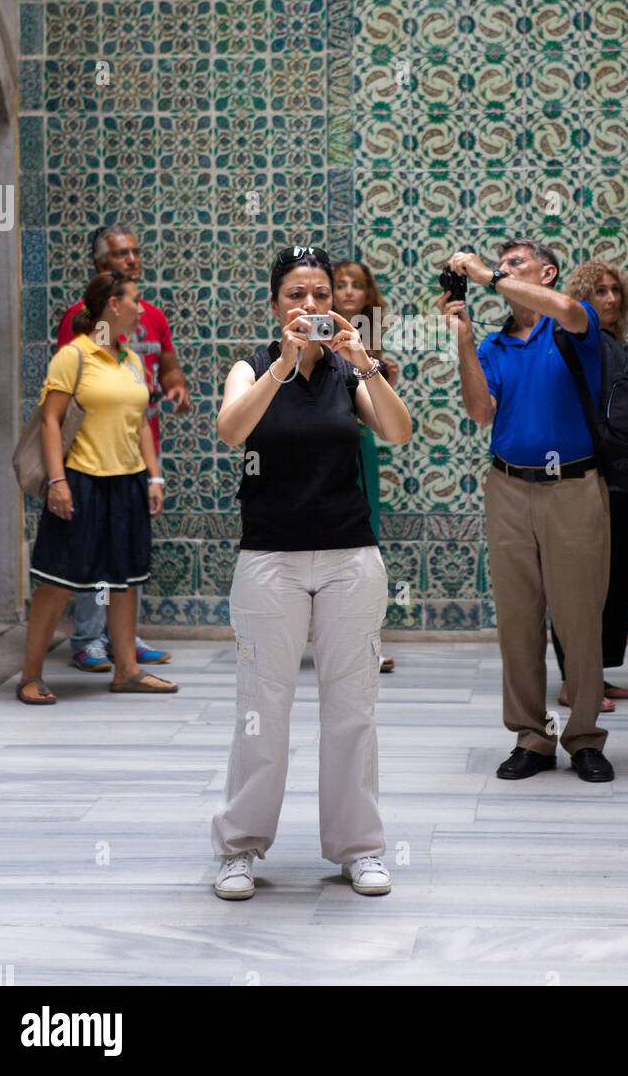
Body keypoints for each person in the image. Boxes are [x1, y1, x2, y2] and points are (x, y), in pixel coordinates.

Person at [211, 245, 412, 899]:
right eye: (296, 294)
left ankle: (360, 849)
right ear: (275, 304)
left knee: (351, 708)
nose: (310, 306)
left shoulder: (349, 374)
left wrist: (364, 365)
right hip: (270, 558)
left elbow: (400, 430)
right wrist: (283, 366)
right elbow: (231, 430)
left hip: (349, 557)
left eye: (321, 295)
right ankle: (240, 848)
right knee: (261, 710)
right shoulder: (251, 366)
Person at [439, 239, 614, 784]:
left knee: (579, 616)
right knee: (517, 619)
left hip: (574, 488)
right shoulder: (494, 345)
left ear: (547, 271)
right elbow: (479, 412)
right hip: (508, 487)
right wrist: (465, 339)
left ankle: (584, 736)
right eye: (503, 264)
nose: (505, 271)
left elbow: (560, 307)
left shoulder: (572, 323)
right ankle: (532, 737)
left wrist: (486, 274)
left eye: (516, 264)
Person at [17, 271, 178, 704]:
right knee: (57, 581)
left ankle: (126, 670)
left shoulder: (128, 358)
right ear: (113, 305)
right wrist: (57, 481)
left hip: (127, 484)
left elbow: (141, 420)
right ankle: (31, 675)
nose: (142, 308)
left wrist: (154, 474)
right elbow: (50, 420)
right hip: (81, 482)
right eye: (135, 300)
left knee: (124, 580)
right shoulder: (76, 356)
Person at [57, 225, 190, 672]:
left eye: (135, 252)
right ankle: (88, 639)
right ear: (100, 266)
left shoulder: (148, 314)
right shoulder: (83, 320)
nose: (132, 259)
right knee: (93, 547)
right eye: (121, 254)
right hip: (94, 450)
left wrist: (176, 388)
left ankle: (122, 639)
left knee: (127, 549)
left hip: (140, 444)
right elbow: (75, 383)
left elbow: (168, 366)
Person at [551, 259, 628, 711]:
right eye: (600, 292)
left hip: (621, 477)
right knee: (579, 583)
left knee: (614, 578)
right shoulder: (573, 342)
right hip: (586, 474)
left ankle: (596, 673)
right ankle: (573, 681)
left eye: (615, 291)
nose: (610, 299)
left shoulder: (613, 345)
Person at [333, 258, 399, 672]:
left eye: (357, 285)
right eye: (339, 284)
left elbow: (383, 407)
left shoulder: (369, 338)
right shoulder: (312, 334)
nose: (349, 291)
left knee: (363, 535)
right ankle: (337, 637)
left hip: (359, 443)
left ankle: (363, 637)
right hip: (325, 446)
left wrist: (382, 374)